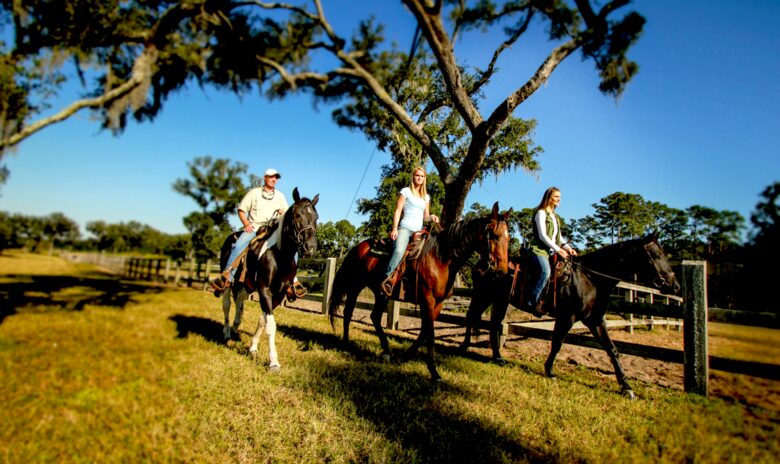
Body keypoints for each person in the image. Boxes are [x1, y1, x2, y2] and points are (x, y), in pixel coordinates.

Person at [211, 168, 288, 293]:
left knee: (290, 246)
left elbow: (287, 215)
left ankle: (293, 282)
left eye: (276, 177)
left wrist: (282, 213)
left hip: (273, 229)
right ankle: (227, 277)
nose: (274, 179)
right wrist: (246, 223)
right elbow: (241, 210)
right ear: (265, 178)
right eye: (271, 177)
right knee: (239, 245)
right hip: (255, 227)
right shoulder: (254, 193)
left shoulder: (280, 196)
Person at [381, 166, 439, 296]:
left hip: (419, 232)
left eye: (422, 176)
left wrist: (432, 217)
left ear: (425, 179)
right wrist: (395, 228)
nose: (419, 178)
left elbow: (425, 216)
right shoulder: (406, 191)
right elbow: (398, 210)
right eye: (417, 175)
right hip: (405, 229)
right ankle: (387, 279)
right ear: (413, 177)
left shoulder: (426, 197)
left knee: (431, 254)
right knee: (399, 250)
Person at [526, 186, 577, 316]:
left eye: (560, 197)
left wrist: (569, 248)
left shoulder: (555, 217)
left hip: (551, 251)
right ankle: (532, 302)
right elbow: (543, 236)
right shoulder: (540, 213)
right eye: (556, 197)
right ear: (548, 198)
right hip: (538, 250)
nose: (559, 199)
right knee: (545, 271)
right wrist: (558, 249)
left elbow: (558, 237)